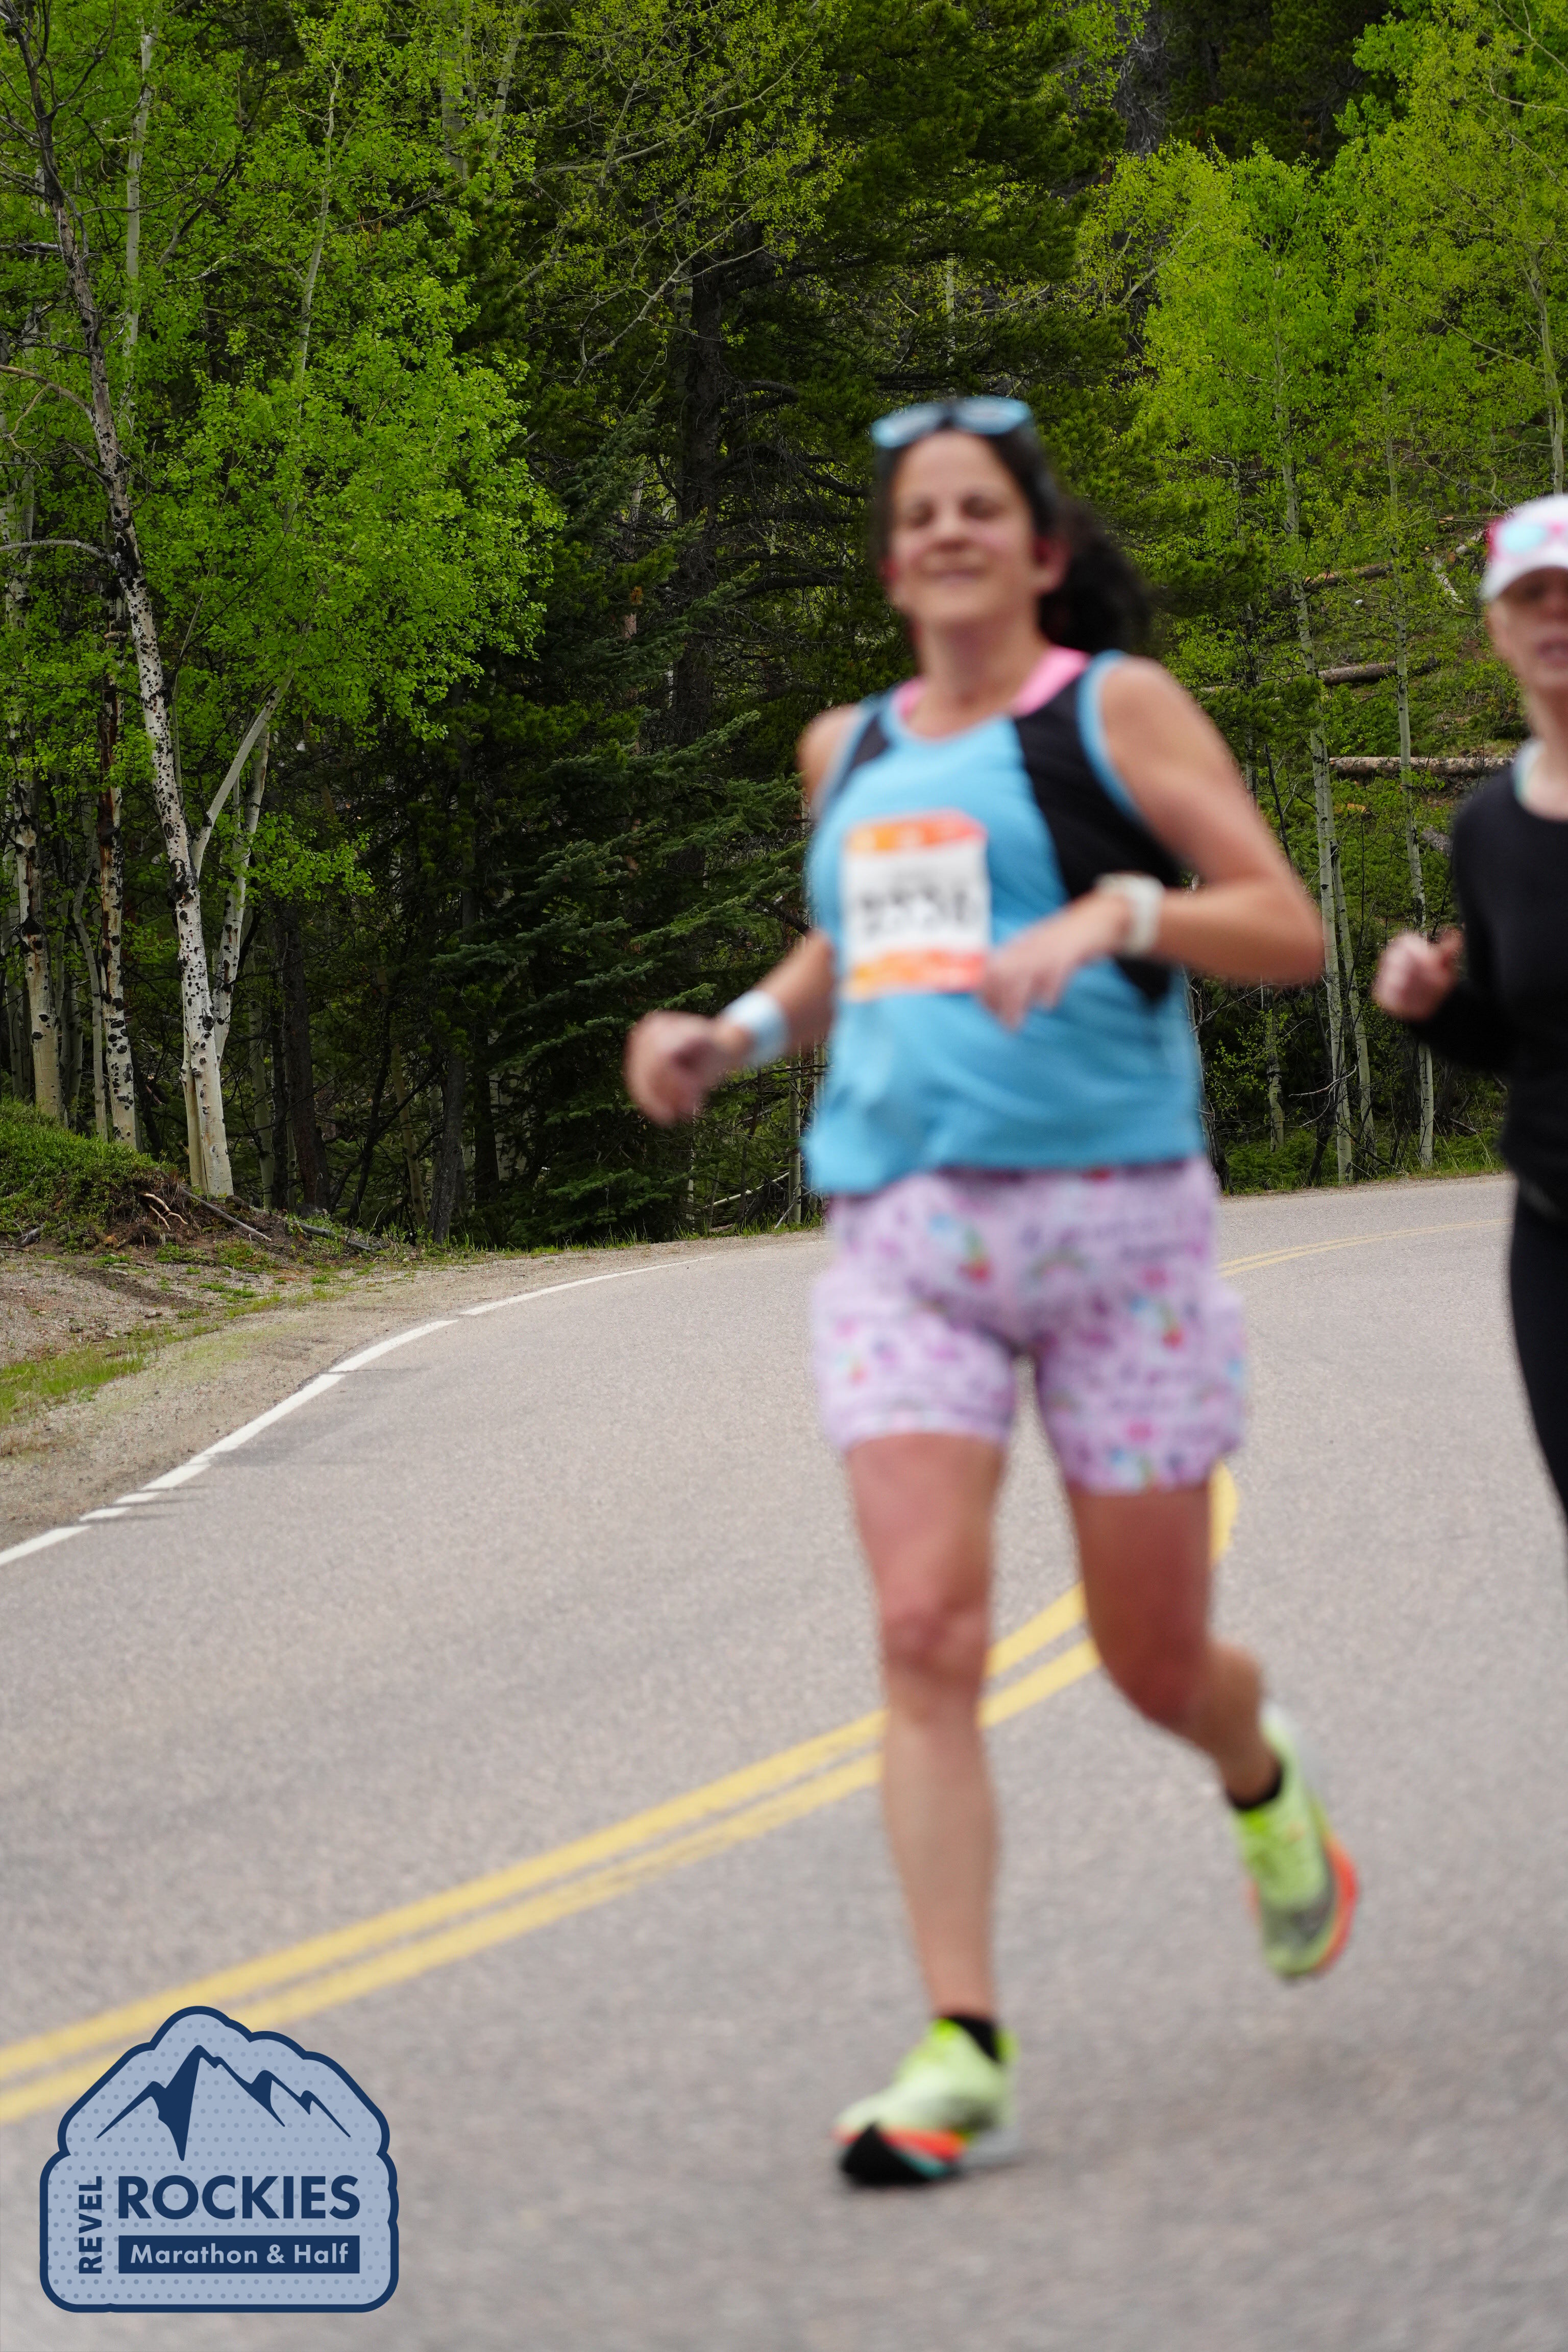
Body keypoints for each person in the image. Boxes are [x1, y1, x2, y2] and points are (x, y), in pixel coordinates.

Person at [625, 398, 1358, 2187]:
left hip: (1119, 1232)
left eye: (980, 509)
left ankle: (1260, 1773)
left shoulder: (1115, 709)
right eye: (919, 513)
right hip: (906, 1235)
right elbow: (849, 941)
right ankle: (963, 2043)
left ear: (1038, 551)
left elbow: (1284, 925)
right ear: (893, 565)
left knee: (1148, 1658)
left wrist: (1123, 915)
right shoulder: (848, 745)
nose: (948, 532)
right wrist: (733, 1032)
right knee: (926, 1631)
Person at [1375, 491, 1568, 1520]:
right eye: (1532, 595)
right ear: (1497, 628)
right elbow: (1508, 1038)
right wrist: (1430, 1006)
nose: (1556, 615)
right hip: (1556, 1229)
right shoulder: (1488, 830)